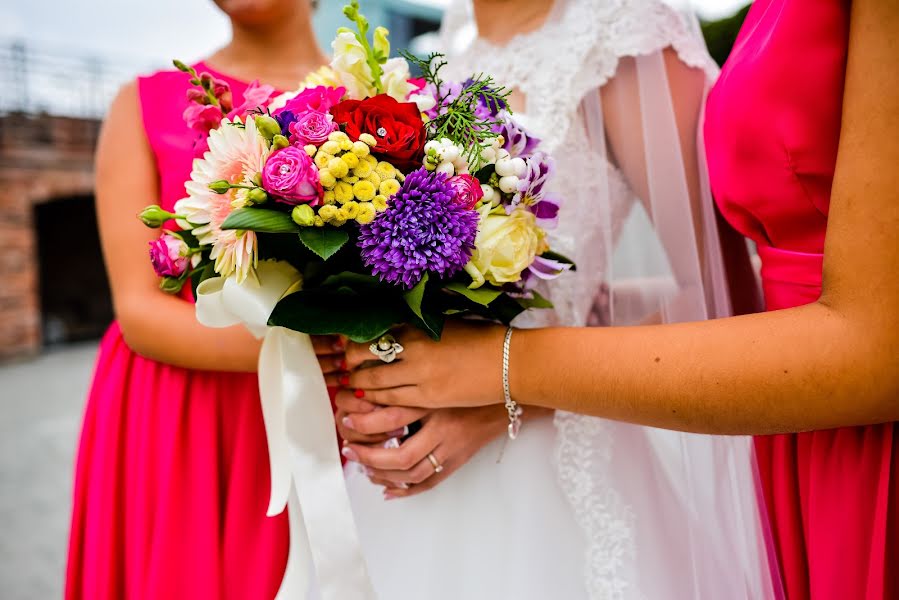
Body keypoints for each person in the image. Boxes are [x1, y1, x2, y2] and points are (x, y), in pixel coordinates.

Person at [341, 0, 899, 598]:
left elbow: (721, 294)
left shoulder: (620, 37)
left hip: (559, 473)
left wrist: (507, 389)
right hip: (411, 487)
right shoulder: (450, 50)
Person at [65, 1, 331, 598]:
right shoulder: (143, 103)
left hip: (339, 416)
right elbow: (138, 309)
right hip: (184, 413)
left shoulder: (391, 99)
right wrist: (327, 350)